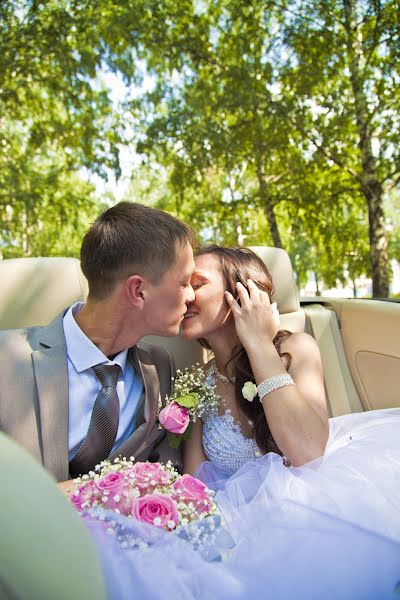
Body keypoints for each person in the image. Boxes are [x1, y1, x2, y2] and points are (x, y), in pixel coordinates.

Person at [0, 201, 196, 485]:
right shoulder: (8, 358)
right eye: (185, 282)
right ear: (138, 290)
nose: (191, 296)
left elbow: (165, 468)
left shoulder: (161, 366)